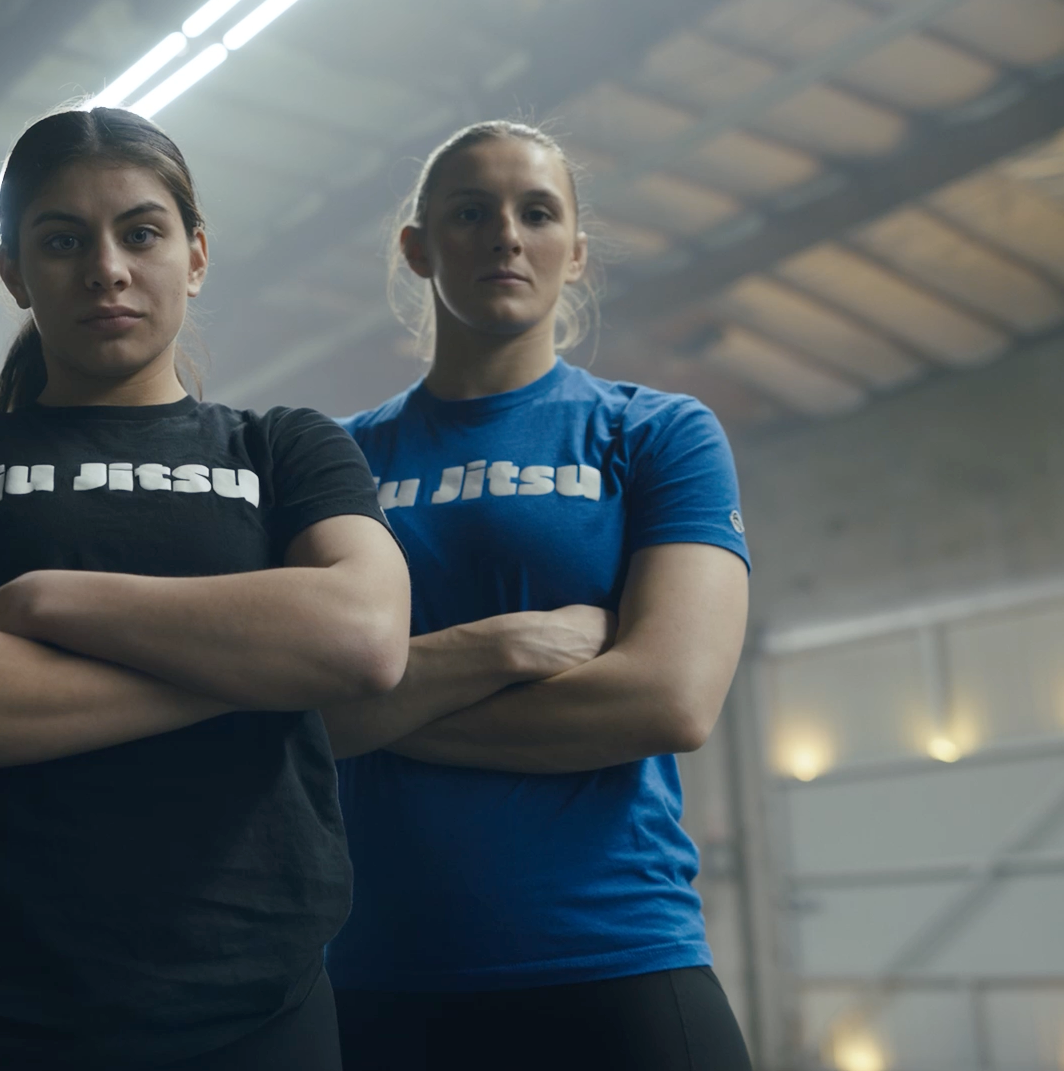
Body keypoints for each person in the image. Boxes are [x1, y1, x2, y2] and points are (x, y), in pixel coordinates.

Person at [0, 106, 410, 1071]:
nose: (106, 267)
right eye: (62, 240)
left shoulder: (286, 447)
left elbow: (362, 635)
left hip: (250, 1005)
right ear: (13, 270)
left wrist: (49, 600)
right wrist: (257, 669)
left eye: (141, 232)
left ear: (195, 255)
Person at [321, 120, 755, 1071]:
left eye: (536, 212)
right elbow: (288, 709)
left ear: (574, 251)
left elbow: (667, 698)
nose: (505, 235)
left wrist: (376, 708)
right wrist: (504, 648)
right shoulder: (334, 460)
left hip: (615, 956)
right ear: (418, 247)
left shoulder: (657, 433)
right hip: (378, 975)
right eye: (470, 212)